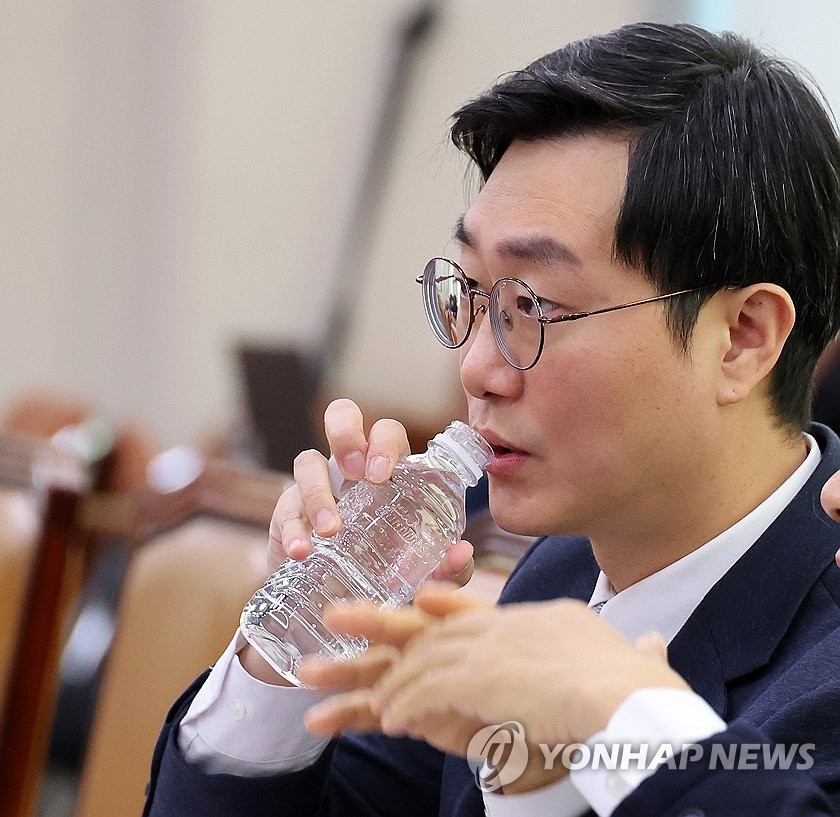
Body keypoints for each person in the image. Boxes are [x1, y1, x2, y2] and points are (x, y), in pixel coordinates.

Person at [143, 21, 840, 817]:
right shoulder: (553, 580)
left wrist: (622, 716)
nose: (475, 366)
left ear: (743, 337)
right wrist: (298, 640)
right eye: (473, 293)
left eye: (534, 304)